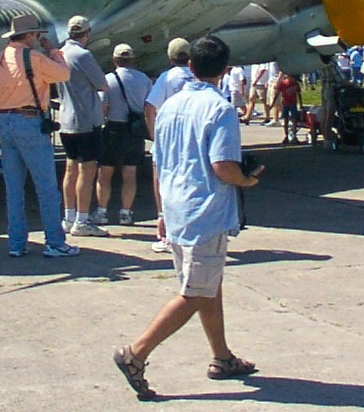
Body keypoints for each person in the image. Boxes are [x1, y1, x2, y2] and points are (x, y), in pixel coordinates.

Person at [113, 34, 262, 400]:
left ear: (189, 66)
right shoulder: (220, 109)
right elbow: (223, 166)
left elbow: (160, 163)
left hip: (177, 209)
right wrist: (248, 179)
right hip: (205, 211)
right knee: (196, 291)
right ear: (225, 71)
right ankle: (136, 353)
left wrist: (162, 211)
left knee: (207, 284)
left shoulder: (169, 106)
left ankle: (222, 357)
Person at [0, 14, 78, 258]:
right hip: (29, 121)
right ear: (28, 35)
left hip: (5, 123)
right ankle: (55, 242)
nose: (38, 39)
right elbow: (64, 74)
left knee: (13, 189)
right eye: (36, 35)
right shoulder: (34, 58)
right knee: (46, 187)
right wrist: (54, 52)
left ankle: (16, 243)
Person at [57, 15, 110, 237]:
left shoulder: (59, 53)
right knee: (87, 172)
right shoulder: (83, 55)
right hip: (86, 120)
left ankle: (68, 218)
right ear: (86, 34)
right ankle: (82, 219)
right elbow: (102, 84)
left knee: (70, 169)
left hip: (66, 119)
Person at [144, 37, 195, 253]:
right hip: (192, 138)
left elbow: (149, 107)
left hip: (168, 139)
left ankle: (165, 229)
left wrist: (154, 134)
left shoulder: (166, 78)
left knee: (163, 184)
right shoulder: (195, 77)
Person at [96, 43, 152, 226]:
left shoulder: (108, 79)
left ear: (114, 60)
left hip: (113, 129)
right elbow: (148, 104)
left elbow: (103, 106)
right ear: (132, 60)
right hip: (135, 131)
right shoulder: (143, 79)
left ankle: (102, 212)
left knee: (105, 174)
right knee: (130, 173)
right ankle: (126, 213)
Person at [274, 72, 302, 144]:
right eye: (294, 79)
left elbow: (299, 94)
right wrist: (273, 103)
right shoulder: (283, 84)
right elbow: (277, 93)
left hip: (293, 104)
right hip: (285, 104)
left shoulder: (295, 84)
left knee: (294, 119)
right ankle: (286, 136)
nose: (295, 80)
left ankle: (294, 136)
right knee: (285, 120)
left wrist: (301, 104)